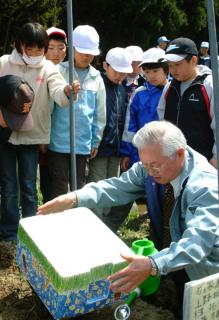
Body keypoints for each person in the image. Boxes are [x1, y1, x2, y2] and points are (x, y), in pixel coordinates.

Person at [38, 121, 219, 317]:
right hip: (168, 258)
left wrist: (153, 264)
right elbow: (118, 187)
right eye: (145, 164)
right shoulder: (152, 166)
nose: (149, 172)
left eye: (154, 165)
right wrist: (75, 198)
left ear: (180, 154)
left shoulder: (204, 186)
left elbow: (198, 242)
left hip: (202, 272)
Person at [0, 22, 79, 242]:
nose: (34, 54)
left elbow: (58, 90)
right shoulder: (4, 63)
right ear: (20, 45)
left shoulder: (48, 68)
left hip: (32, 136)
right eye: (30, 49)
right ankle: (8, 234)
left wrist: (67, 91)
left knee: (28, 187)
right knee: (7, 186)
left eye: (39, 50)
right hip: (5, 135)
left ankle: (30, 234)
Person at [104, 48, 169, 233]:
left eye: (155, 71)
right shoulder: (139, 94)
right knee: (127, 193)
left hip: (164, 156)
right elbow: (129, 126)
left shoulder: (171, 91)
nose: (151, 76)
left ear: (166, 69)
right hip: (138, 155)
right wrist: (127, 152)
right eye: (147, 72)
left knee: (160, 199)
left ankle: (160, 236)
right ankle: (108, 229)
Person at [47, 25, 106, 199]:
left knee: (78, 189)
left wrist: (96, 140)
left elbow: (99, 114)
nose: (87, 56)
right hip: (57, 142)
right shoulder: (59, 71)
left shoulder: (96, 77)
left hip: (82, 144)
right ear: (72, 48)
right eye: (82, 52)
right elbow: (50, 106)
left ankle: (74, 223)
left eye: (91, 53)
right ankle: (55, 223)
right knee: (58, 187)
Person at [158, 37, 219, 168]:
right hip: (173, 162)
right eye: (170, 65)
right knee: (172, 190)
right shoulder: (169, 87)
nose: (173, 70)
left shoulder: (210, 84)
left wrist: (218, 156)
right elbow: (162, 120)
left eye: (177, 64)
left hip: (204, 164)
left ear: (193, 60)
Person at [87, 47, 132, 221]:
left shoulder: (122, 89)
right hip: (100, 146)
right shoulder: (98, 83)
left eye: (124, 73)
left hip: (116, 148)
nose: (120, 76)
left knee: (112, 185)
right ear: (106, 65)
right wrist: (94, 141)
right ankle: (94, 222)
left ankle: (105, 222)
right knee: (97, 185)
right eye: (117, 71)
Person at [39, 26, 68, 203]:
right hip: (39, 136)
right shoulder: (38, 70)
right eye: (51, 48)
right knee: (44, 182)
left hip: (60, 140)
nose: (56, 53)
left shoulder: (69, 71)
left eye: (61, 48)